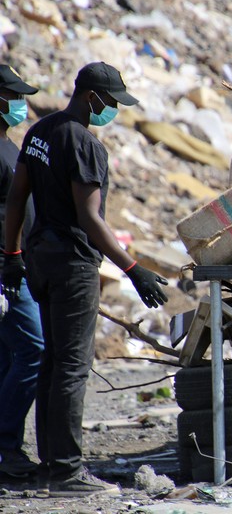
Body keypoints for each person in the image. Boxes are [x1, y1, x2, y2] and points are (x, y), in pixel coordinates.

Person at [2, 61, 169, 497]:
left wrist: (13, 254)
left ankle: (51, 465)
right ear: (93, 97)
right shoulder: (84, 144)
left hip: (39, 259)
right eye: (110, 103)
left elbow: (17, 197)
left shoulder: (39, 132)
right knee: (72, 369)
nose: (111, 110)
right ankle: (68, 472)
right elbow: (89, 218)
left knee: (53, 365)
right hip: (73, 264)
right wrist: (134, 270)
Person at [0, 65, 44, 479]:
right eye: (14, 97)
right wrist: (9, 257)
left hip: (19, 266)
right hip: (6, 272)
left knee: (9, 355)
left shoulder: (10, 146)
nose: (20, 105)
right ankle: (6, 445)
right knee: (34, 350)